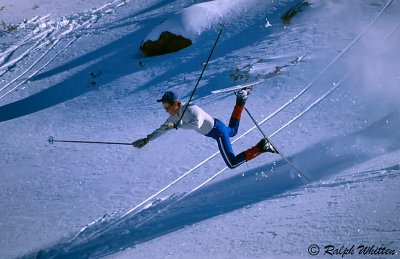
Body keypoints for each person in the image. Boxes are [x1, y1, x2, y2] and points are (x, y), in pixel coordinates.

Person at [132, 90, 277, 169]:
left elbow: (196, 125)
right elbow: (162, 129)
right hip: (217, 127)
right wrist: (147, 139)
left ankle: (261, 147)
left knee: (232, 163)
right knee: (232, 131)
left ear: (176, 104)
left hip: (217, 132)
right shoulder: (174, 117)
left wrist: (176, 126)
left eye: (168, 107)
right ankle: (241, 100)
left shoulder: (191, 109)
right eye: (165, 108)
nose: (166, 111)